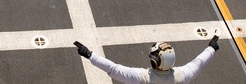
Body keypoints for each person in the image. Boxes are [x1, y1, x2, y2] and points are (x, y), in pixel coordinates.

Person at [74, 36, 218, 83]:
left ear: (156, 62)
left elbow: (113, 69)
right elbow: (198, 63)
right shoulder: (182, 75)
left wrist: (90, 55)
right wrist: (211, 48)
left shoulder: (143, 78)